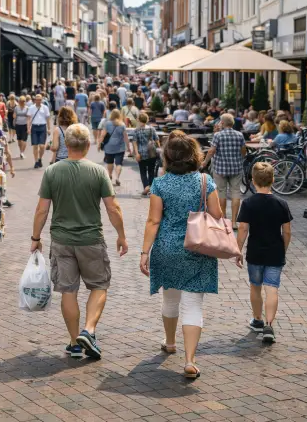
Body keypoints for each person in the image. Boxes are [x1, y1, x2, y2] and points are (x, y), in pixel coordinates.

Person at [31, 124, 128, 359]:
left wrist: (36, 238)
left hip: (62, 240)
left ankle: (75, 342)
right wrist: (121, 235)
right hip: (91, 239)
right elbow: (113, 208)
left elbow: (42, 210)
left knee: (68, 291)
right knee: (99, 285)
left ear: (67, 144)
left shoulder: (52, 171)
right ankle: (89, 329)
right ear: (87, 145)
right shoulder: (97, 172)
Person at [140, 131, 223, 379]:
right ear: (193, 155)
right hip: (197, 247)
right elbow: (217, 215)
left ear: (168, 156)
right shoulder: (205, 182)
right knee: (193, 305)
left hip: (167, 248)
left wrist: (145, 252)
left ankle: (169, 342)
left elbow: (153, 221)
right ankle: (189, 360)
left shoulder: (160, 183)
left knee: (170, 298)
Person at [236, 162, 293, 343]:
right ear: (273, 180)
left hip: (255, 251)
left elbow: (243, 229)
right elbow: (287, 231)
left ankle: (257, 320)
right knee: (272, 288)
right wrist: (283, 248)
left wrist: (237, 250)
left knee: (255, 286)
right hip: (275, 251)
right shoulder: (281, 203)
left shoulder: (248, 203)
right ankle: (269, 324)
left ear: (253, 181)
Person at [202, 113, 246, 228]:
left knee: (221, 192)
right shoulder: (239, 135)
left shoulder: (218, 136)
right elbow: (243, 151)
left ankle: (224, 220)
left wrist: (205, 162)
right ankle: (234, 222)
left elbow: (211, 151)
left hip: (220, 168)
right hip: (236, 168)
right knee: (235, 192)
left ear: (222, 123)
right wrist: (240, 159)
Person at [101, 109, 132, 187]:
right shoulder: (122, 124)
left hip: (109, 146)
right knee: (119, 163)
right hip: (120, 147)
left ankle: (110, 175)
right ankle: (117, 177)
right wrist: (129, 147)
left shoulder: (107, 124)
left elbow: (103, 135)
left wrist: (99, 144)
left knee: (110, 162)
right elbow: (126, 137)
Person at [133, 112, 160, 196]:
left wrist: (136, 153)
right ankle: (151, 188)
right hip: (152, 153)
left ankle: (146, 187)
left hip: (141, 153)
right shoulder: (152, 129)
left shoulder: (136, 130)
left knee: (143, 171)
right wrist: (158, 149)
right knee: (151, 171)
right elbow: (157, 140)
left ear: (138, 120)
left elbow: (135, 143)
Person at [27, 94, 52, 169]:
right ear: (35, 100)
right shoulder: (31, 107)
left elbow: (48, 118)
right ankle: (36, 161)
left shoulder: (45, 108)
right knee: (35, 146)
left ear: (42, 100)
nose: (38, 101)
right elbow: (28, 118)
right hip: (34, 127)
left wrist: (49, 128)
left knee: (42, 146)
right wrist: (28, 128)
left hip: (42, 127)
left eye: (40, 100)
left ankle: (40, 158)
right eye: (37, 100)